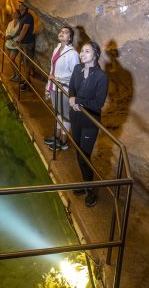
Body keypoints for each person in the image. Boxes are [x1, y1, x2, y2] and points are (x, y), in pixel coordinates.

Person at [68, 41, 108, 207]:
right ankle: (85, 184)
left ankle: (90, 190)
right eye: (82, 51)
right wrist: (73, 99)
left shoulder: (101, 76)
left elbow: (98, 103)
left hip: (90, 121)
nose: (82, 54)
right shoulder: (77, 69)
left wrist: (78, 100)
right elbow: (71, 88)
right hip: (76, 118)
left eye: (87, 51)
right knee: (79, 153)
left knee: (85, 155)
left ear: (95, 55)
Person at [44, 26, 80, 151]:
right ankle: (57, 137)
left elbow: (75, 75)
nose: (62, 33)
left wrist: (57, 79)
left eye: (65, 33)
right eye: (61, 31)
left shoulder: (73, 54)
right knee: (58, 113)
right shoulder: (57, 48)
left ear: (70, 38)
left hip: (64, 89)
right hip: (54, 87)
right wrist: (48, 86)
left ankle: (63, 141)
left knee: (65, 115)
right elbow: (52, 69)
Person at [11, 2, 35, 90]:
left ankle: (27, 83)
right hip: (23, 43)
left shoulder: (28, 17)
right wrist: (13, 36)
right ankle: (26, 79)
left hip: (27, 43)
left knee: (26, 63)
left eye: (21, 4)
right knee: (23, 63)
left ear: (25, 7)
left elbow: (24, 30)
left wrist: (17, 41)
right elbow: (20, 29)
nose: (19, 5)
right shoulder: (22, 17)